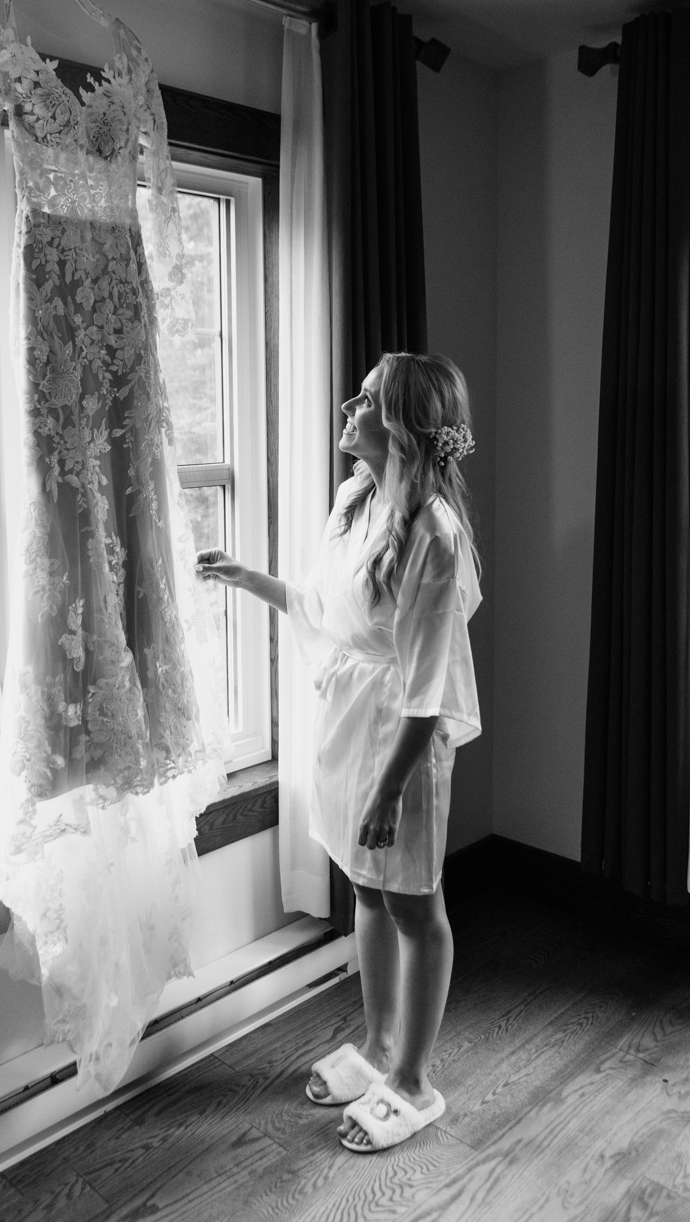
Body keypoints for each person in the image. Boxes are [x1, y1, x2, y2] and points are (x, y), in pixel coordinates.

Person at [196, 351, 481, 1153]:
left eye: (364, 399)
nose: (347, 407)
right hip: (347, 719)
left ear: (396, 425)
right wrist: (251, 579)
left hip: (400, 736)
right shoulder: (356, 497)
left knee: (413, 901)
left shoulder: (434, 534)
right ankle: (378, 1045)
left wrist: (392, 789)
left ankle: (415, 1082)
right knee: (365, 885)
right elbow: (328, 609)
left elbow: (428, 686)